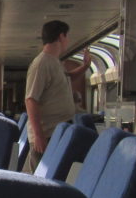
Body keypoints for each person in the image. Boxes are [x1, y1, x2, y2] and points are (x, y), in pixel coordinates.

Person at [23, 20, 90, 173]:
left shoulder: (55, 62)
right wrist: (38, 136)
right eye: (67, 37)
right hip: (46, 135)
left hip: (56, 132)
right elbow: (31, 100)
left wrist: (85, 66)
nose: (68, 41)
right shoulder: (42, 64)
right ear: (61, 36)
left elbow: (68, 78)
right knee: (40, 179)